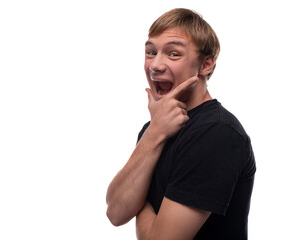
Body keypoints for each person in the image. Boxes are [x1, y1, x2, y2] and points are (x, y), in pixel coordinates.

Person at [106, 8, 256, 240]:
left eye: (173, 54)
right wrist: (154, 133)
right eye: (150, 52)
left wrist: (138, 200)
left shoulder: (217, 133)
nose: (155, 65)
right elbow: (115, 212)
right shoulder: (155, 130)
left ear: (206, 65)